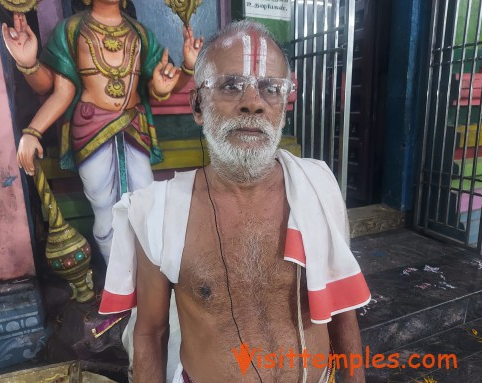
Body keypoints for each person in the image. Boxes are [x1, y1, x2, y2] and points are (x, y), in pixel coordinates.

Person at [100, 20, 371, 382]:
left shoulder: (317, 187)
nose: (253, 104)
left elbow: (342, 307)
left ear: (283, 108)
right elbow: (150, 333)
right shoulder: (159, 212)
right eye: (231, 86)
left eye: (270, 89)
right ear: (198, 106)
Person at [1, 1, 203, 263]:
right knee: (103, 205)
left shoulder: (139, 33)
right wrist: (28, 65)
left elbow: (165, 84)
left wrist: (186, 68)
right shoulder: (72, 30)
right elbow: (55, 89)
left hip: (133, 126)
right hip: (90, 127)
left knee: (145, 198)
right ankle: (117, 278)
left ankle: (150, 275)